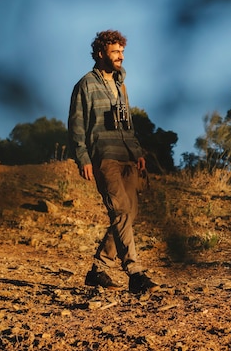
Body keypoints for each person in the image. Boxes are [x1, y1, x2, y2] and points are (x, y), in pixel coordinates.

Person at [68, 30, 159, 294]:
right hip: (104, 157)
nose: (120, 57)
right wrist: (83, 157)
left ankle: (98, 269)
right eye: (115, 52)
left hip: (127, 157)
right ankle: (135, 273)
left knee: (130, 214)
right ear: (100, 54)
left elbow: (127, 123)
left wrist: (138, 152)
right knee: (120, 212)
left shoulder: (120, 85)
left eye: (122, 52)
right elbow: (76, 126)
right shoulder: (85, 85)